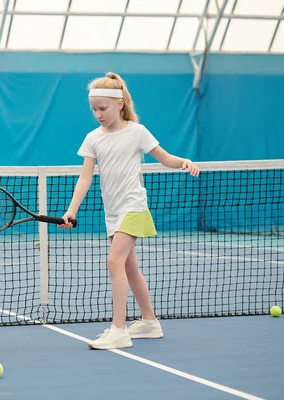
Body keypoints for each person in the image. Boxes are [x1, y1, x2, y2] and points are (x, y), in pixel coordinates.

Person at [59, 73, 200, 350]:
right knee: (128, 266)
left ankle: (119, 329)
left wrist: (184, 161)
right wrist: (71, 210)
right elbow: (85, 178)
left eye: (103, 108)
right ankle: (149, 322)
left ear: (120, 104)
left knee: (114, 262)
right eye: (94, 109)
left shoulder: (137, 132)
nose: (98, 114)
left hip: (133, 205)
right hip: (111, 211)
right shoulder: (92, 139)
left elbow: (164, 157)